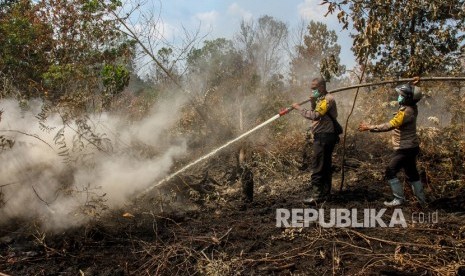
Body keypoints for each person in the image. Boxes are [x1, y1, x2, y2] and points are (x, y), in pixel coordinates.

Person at [358, 83, 426, 207]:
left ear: (408, 98)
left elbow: (390, 125)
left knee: (390, 171)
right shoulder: (411, 107)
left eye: (401, 95)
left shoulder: (406, 112)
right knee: (412, 173)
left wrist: (369, 127)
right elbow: (413, 93)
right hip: (411, 147)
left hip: (404, 149)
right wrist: (415, 83)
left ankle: (399, 199)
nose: (399, 97)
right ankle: (421, 201)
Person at [292, 78, 339, 204]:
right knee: (325, 166)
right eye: (311, 88)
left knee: (318, 166)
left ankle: (317, 197)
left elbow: (315, 116)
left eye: (315, 88)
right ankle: (325, 194)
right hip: (324, 135)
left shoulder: (327, 99)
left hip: (324, 137)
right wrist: (313, 102)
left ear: (322, 87)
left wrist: (299, 108)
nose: (312, 90)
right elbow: (315, 112)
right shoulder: (321, 99)